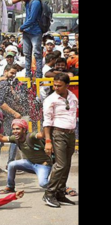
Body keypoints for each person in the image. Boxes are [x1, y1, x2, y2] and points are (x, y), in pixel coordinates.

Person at [0, 118, 52, 194]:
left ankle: (61, 187)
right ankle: (10, 187)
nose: (15, 131)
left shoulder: (31, 136)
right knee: (11, 164)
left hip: (43, 165)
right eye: (13, 129)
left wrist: (47, 123)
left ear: (24, 130)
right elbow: (1, 138)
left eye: (17, 129)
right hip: (30, 163)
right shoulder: (15, 138)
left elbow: (41, 134)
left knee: (43, 183)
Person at [42, 73, 78, 208]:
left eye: (59, 85)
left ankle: (60, 192)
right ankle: (49, 193)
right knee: (60, 165)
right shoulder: (50, 99)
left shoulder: (72, 96)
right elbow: (47, 121)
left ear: (67, 85)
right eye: (54, 85)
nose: (56, 87)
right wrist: (48, 141)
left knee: (67, 164)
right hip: (58, 134)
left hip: (70, 134)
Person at [19, 0, 43, 78]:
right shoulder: (27, 3)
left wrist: (22, 27)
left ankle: (39, 75)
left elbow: (32, 19)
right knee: (26, 54)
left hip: (35, 32)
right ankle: (28, 74)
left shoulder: (36, 2)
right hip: (26, 32)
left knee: (37, 54)